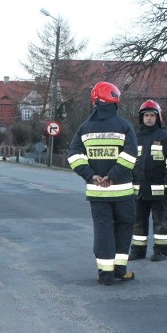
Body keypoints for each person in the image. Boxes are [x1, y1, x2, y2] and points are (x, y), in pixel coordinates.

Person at [67, 82, 138, 286]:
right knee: (124, 227)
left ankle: (105, 274)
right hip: (122, 191)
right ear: (115, 99)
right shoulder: (124, 125)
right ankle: (119, 270)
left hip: (97, 192)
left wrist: (91, 176)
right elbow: (131, 155)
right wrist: (113, 176)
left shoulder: (85, 128)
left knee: (102, 230)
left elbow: (73, 155)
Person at [130, 100, 167, 261]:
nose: (149, 118)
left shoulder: (165, 137)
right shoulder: (135, 137)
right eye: (146, 115)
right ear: (141, 117)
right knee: (138, 222)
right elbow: (128, 160)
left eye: (152, 115)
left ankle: (160, 251)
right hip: (138, 189)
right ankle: (138, 250)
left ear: (158, 117)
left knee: (161, 222)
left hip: (159, 189)